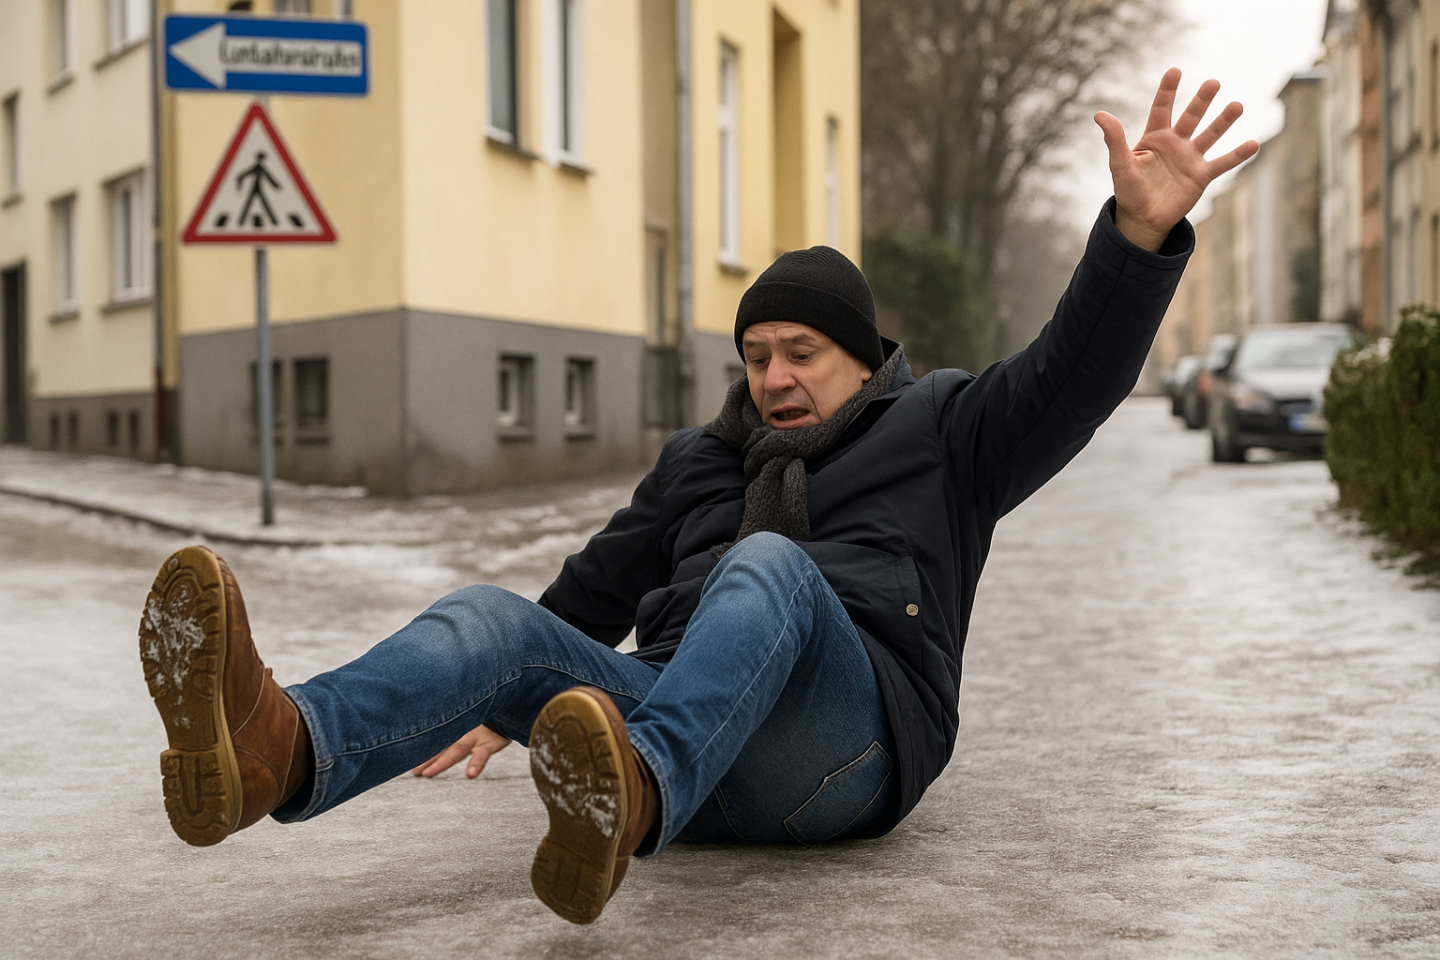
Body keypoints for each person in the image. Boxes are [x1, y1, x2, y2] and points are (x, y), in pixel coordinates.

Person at [137, 70, 1258, 925]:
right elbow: (591, 590)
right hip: (671, 737)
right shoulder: (699, 460)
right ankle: (275, 752)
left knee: (766, 567)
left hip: (839, 753)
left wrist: (1139, 236)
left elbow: (1073, 376)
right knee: (489, 614)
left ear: (866, 361)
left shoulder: (947, 430)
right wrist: (487, 684)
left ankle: (629, 787)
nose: (773, 376)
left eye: (803, 352)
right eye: (756, 353)